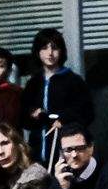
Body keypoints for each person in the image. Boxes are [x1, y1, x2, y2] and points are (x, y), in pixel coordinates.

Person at [19, 29, 92, 169]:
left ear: (61, 51)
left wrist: (64, 120)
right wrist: (33, 114)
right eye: (44, 48)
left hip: (66, 151)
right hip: (37, 152)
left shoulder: (73, 81)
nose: (50, 53)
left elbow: (87, 113)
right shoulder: (33, 82)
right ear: (37, 52)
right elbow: (23, 117)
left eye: (54, 48)